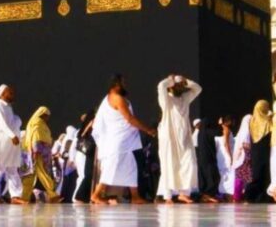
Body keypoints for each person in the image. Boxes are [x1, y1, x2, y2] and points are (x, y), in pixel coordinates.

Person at [90, 74, 156, 205]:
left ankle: (135, 196)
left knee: (131, 167)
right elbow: (129, 119)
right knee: (111, 167)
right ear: (115, 85)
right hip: (118, 141)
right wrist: (148, 130)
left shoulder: (113, 98)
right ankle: (96, 195)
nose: (125, 85)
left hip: (125, 140)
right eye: (123, 83)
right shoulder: (117, 98)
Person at [154, 74, 201, 204]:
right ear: (170, 87)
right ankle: (168, 196)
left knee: (190, 163)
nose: (179, 87)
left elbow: (198, 89)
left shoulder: (185, 99)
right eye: (176, 86)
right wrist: (171, 79)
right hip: (169, 137)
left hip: (184, 136)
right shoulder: (166, 100)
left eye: (180, 86)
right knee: (169, 164)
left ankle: (184, 193)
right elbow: (160, 86)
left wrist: (186, 81)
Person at [22, 106, 61, 202]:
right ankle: (53, 195)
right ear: (42, 115)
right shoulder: (37, 124)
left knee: (30, 176)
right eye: (47, 116)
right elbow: (36, 138)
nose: (48, 118)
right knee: (43, 174)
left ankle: (24, 197)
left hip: (43, 154)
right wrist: (36, 151)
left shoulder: (42, 125)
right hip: (38, 154)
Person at [244, 100, 273, 202]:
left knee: (258, 173)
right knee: (264, 173)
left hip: (255, 152)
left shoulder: (252, 121)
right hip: (265, 151)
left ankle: (256, 197)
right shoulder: (268, 121)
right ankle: (253, 195)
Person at [195, 118, 222, 202]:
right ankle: (209, 194)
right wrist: (220, 124)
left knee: (204, 176)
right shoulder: (207, 131)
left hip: (202, 159)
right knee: (212, 176)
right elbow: (219, 133)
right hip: (208, 159)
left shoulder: (200, 133)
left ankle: (204, 195)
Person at [73, 113, 96, 203]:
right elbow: (81, 136)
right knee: (87, 175)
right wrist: (90, 124)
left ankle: (86, 196)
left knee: (90, 175)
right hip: (88, 152)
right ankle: (80, 196)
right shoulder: (86, 129)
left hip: (90, 152)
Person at [231, 114, 252, 202]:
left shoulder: (241, 131)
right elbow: (244, 144)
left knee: (240, 177)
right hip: (244, 156)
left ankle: (237, 197)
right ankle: (239, 197)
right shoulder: (246, 131)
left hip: (240, 157)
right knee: (244, 177)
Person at [214, 116, 236, 199]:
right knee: (228, 172)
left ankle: (223, 191)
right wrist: (230, 155)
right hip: (226, 153)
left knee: (224, 173)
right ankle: (226, 191)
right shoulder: (226, 130)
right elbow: (226, 144)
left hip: (222, 153)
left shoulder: (223, 130)